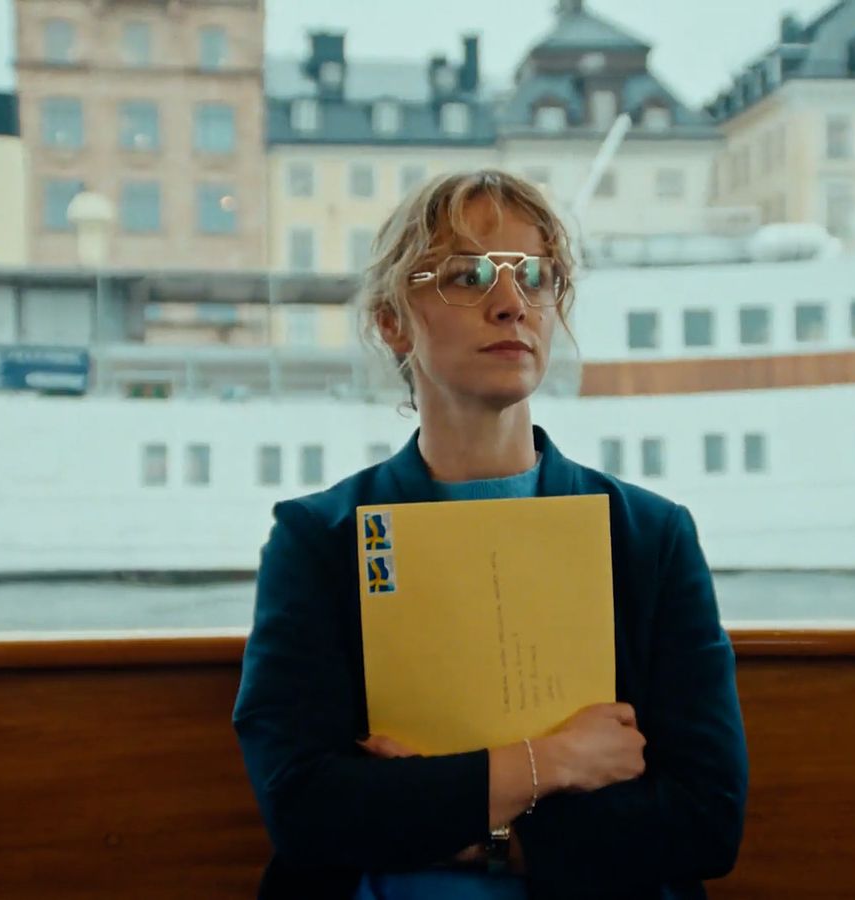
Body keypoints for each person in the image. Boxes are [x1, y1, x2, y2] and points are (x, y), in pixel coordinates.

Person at [233, 169, 748, 899]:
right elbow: (307, 810)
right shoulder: (320, 539)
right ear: (391, 319)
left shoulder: (649, 537)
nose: (511, 304)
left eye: (534, 276)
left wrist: (475, 836)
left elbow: (706, 820)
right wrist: (557, 761)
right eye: (466, 275)